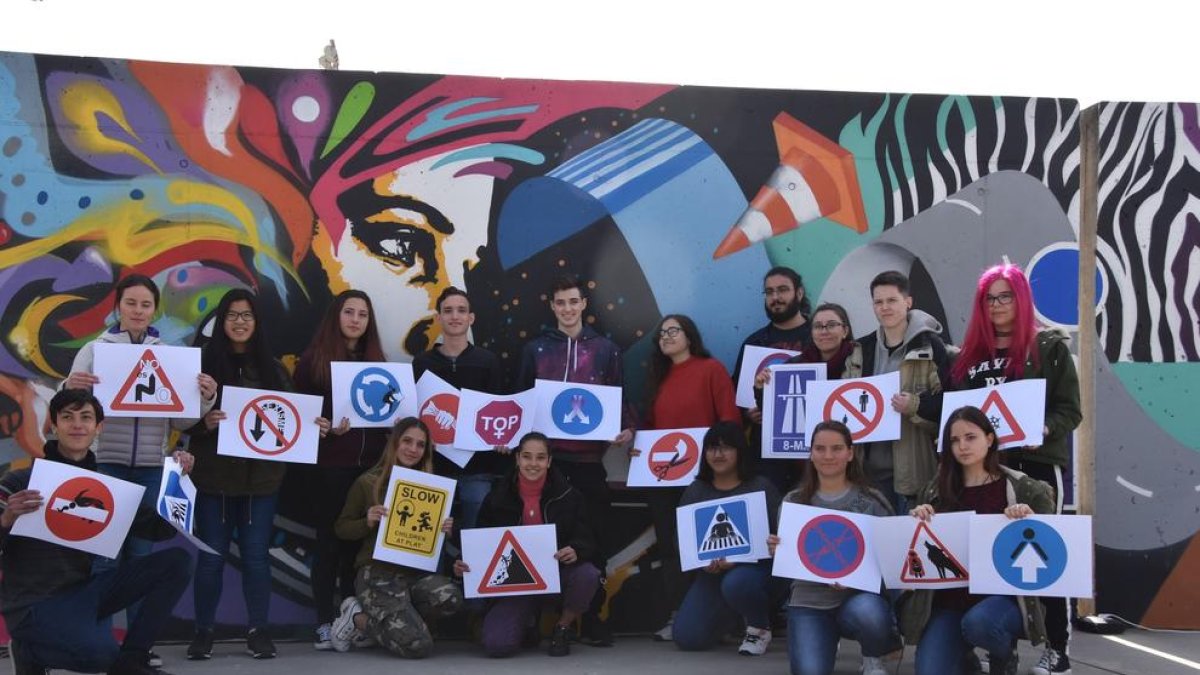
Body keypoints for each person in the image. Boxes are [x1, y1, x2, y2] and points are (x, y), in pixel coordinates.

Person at [61, 274, 215, 669]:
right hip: (105, 465)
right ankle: (96, 644)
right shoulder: (96, 350)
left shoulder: (170, 353)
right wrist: (69, 384)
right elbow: (69, 406)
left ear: (154, 309)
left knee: (140, 560)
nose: (138, 311)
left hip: (149, 468)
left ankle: (136, 647)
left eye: (145, 305)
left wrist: (205, 396)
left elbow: (183, 421)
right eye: (131, 303)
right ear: (118, 307)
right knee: (103, 559)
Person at [183, 289, 331, 660]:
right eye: (232, 315)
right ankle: (203, 633)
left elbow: (291, 419)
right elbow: (180, 419)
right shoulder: (200, 365)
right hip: (213, 479)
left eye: (247, 315)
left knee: (256, 558)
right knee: (211, 558)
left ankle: (258, 631)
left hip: (261, 483)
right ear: (222, 320)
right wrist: (204, 423)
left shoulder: (273, 367)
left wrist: (314, 426)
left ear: (257, 321)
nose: (239, 321)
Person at [0, 389, 192, 675]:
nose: (77, 425)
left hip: (84, 592)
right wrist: (6, 518)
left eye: (86, 417)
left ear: (98, 427)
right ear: (53, 425)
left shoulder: (107, 488)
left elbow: (161, 530)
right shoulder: (20, 482)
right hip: (33, 602)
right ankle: (28, 649)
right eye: (67, 417)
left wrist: (178, 481)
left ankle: (132, 659)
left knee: (177, 561)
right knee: (99, 657)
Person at [949, 263, 1082, 675]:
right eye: (990, 298)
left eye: (1006, 296)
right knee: (991, 553)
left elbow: (1070, 410)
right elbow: (960, 415)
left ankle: (1056, 649)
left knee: (1046, 553)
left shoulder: (1048, 347)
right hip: (989, 469)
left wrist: (1045, 427)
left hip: (1040, 465)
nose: (998, 305)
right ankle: (997, 644)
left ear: (1022, 299)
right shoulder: (971, 356)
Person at [514, 274, 634, 646]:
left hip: (587, 464)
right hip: (545, 465)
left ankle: (592, 617)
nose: (567, 309)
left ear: (584, 304)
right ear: (552, 306)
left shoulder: (606, 350)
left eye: (573, 302)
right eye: (560, 302)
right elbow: (518, 400)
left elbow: (619, 398)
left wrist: (627, 428)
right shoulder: (535, 350)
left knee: (593, 541)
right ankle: (533, 617)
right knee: (536, 539)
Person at [901, 406, 1056, 675]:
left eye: (970, 437)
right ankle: (966, 660)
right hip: (949, 601)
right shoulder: (935, 489)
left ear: (989, 438)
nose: (962, 446)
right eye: (954, 440)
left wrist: (1028, 520)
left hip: (1003, 600)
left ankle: (1004, 655)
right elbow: (914, 550)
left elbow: (1050, 546)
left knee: (979, 623)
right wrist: (917, 518)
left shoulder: (1023, 487)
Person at [631, 314, 740, 641]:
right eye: (661, 333)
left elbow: (729, 421)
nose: (666, 337)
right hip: (662, 479)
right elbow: (649, 428)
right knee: (670, 547)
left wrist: (724, 463)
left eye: (673, 330)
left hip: (705, 477)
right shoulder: (657, 377)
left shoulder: (712, 369)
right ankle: (678, 613)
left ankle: (725, 618)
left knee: (712, 546)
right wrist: (638, 449)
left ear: (689, 336)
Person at [292, 290, 390, 650]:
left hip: (370, 471)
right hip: (330, 468)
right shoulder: (312, 362)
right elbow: (297, 422)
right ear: (336, 317)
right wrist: (321, 428)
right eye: (349, 312)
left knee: (358, 548)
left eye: (363, 314)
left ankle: (353, 621)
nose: (355, 319)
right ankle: (322, 621)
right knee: (330, 545)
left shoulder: (379, 363)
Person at [767, 420, 901, 675]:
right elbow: (793, 562)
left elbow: (892, 559)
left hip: (858, 598)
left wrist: (855, 579)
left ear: (850, 453)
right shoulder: (793, 502)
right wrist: (779, 551)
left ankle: (873, 654)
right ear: (811, 453)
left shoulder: (873, 500)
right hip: (809, 601)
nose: (828, 456)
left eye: (837, 448)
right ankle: (826, 639)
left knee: (869, 614)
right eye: (820, 449)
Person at [454, 432, 601, 658]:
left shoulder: (569, 496)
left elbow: (587, 538)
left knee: (588, 575)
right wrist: (465, 563)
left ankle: (562, 626)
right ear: (517, 459)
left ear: (550, 461)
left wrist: (575, 549)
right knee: (497, 645)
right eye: (527, 457)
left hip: (557, 576)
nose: (533, 464)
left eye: (540, 458)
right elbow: (479, 542)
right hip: (515, 584)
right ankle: (528, 623)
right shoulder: (496, 498)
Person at [331, 417, 463, 657]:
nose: (413, 449)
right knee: (419, 646)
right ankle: (357, 618)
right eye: (407, 441)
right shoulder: (368, 482)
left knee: (451, 599)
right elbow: (342, 528)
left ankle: (396, 624)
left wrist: (444, 529)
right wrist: (367, 520)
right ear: (394, 443)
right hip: (377, 574)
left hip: (414, 576)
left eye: (420, 445)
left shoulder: (433, 487)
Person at [672, 422, 781, 655]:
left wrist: (742, 559)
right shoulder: (696, 490)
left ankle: (759, 627)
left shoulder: (761, 487)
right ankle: (732, 617)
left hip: (755, 573)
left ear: (740, 451)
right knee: (688, 638)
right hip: (711, 574)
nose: (718, 454)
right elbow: (681, 541)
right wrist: (702, 564)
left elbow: (782, 538)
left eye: (726, 448)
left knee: (737, 582)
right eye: (712, 448)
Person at [856, 270, 949, 516]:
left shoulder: (932, 347)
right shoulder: (860, 349)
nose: (885, 307)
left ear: (908, 302)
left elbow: (951, 404)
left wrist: (916, 405)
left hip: (915, 474)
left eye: (892, 300)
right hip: (868, 474)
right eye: (878, 301)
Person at [412, 287, 505, 530]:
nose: (455, 316)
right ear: (439, 317)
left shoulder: (488, 361)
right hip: (432, 467)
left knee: (476, 538)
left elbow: (498, 412)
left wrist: (503, 437)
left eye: (461, 311)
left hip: (478, 468)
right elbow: (413, 413)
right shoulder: (421, 363)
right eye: (448, 311)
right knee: (430, 538)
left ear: (471, 318)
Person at [731, 266, 813, 493]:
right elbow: (737, 394)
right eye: (769, 292)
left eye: (782, 290)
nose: (775, 298)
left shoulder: (818, 337)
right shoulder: (754, 342)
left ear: (799, 293)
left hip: (812, 450)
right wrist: (748, 413)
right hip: (766, 454)